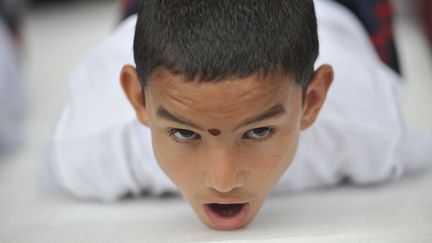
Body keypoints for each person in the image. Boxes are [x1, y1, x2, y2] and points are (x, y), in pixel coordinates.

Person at [40, 0, 432, 230]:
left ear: (312, 101)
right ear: (138, 101)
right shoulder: (85, 148)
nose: (223, 181)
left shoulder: (375, 132)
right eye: (184, 134)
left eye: (259, 132)